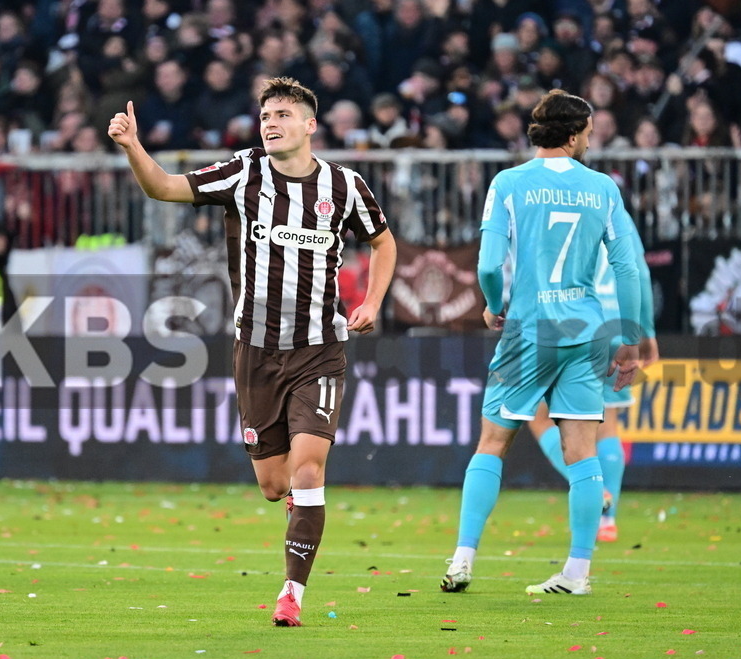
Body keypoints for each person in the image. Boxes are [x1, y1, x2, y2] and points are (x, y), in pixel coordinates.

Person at [107, 77, 397, 626]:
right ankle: (293, 511)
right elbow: (164, 188)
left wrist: (374, 301)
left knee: (309, 471)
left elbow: (382, 242)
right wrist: (133, 148)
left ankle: (292, 593)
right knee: (275, 484)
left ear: (310, 125)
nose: (271, 123)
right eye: (266, 115)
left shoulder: (345, 186)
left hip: (320, 348)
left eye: (284, 114)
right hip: (256, 352)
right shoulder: (244, 173)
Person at [441, 89, 641, 596]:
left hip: (529, 328)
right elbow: (626, 266)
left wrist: (491, 303)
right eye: (589, 132)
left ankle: (463, 558)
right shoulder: (603, 189)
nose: (590, 140)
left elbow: (489, 263)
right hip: (587, 331)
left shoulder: (509, 182)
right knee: (582, 450)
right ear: (573, 135)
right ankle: (577, 572)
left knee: (493, 442)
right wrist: (631, 337)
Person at [528, 231, 660, 544]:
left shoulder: (567, 210)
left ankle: (592, 486)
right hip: (616, 324)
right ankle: (608, 521)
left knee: (538, 415)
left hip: (575, 324)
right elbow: (638, 273)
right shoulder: (621, 219)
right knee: (608, 424)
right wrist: (646, 332)